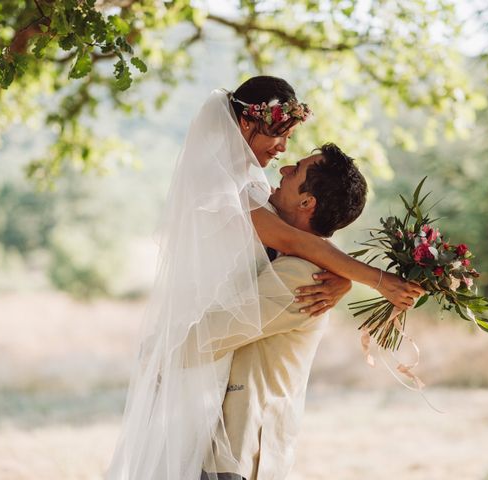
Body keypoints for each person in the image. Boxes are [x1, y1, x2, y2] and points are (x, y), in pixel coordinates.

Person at [106, 76, 421, 480]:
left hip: (222, 385)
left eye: (291, 141)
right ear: (245, 125)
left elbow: (304, 245)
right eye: (279, 134)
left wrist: (339, 276)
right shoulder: (220, 188)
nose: (285, 154)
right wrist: (372, 279)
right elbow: (294, 239)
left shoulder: (255, 187)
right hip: (198, 358)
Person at [202, 143, 368, 480]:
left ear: (307, 203)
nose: (282, 170)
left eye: (295, 171)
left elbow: (207, 337)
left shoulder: (302, 276)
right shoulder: (299, 254)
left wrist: (159, 352)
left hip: (240, 447)